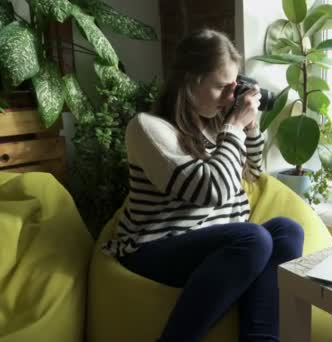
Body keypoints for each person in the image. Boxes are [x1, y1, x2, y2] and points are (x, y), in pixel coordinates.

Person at [102, 28, 304, 342]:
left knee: (288, 230)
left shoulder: (219, 128)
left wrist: (250, 127)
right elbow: (210, 192)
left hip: (216, 242)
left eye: (234, 87)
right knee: (253, 239)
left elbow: (254, 171)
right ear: (190, 80)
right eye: (222, 87)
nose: (229, 98)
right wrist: (235, 126)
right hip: (155, 246)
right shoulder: (148, 129)